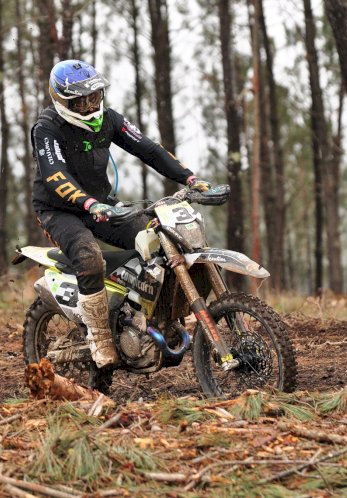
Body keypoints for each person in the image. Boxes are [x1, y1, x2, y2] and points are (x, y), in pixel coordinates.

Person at [31, 59, 212, 369]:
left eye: (95, 96)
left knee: (159, 238)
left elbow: (150, 149)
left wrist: (190, 178)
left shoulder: (109, 120)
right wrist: (88, 204)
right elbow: (55, 175)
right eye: (81, 100)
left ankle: (152, 319)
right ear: (62, 99)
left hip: (101, 204)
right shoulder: (47, 128)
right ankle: (100, 337)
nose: (89, 106)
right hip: (60, 210)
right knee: (89, 259)